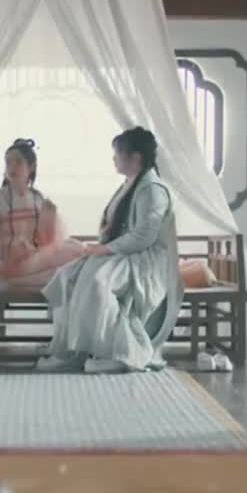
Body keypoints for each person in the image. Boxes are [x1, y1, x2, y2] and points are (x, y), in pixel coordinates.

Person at [37, 126, 182, 373]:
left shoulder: (153, 190)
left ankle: (122, 353)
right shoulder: (130, 185)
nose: (114, 159)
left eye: (118, 154)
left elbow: (143, 237)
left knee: (98, 282)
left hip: (144, 260)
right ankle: (72, 350)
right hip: (125, 254)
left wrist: (103, 249)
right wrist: (95, 249)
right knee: (68, 277)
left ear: (135, 158)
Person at [0, 138, 83, 290]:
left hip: (33, 261)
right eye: (8, 162)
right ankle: (20, 277)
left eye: (18, 162)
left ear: (30, 167)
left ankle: (36, 277)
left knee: (74, 249)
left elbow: (47, 242)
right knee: (63, 272)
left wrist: (49, 217)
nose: (12, 167)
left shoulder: (38, 199)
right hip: (5, 265)